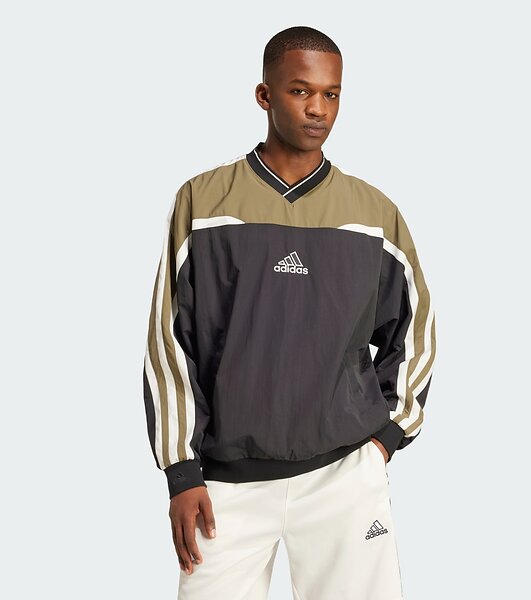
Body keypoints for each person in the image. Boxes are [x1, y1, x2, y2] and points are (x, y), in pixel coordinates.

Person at [142, 25, 436, 600]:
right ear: (265, 95)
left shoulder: (374, 213)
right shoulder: (203, 200)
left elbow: (415, 330)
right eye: (301, 91)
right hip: (224, 482)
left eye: (331, 94)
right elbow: (169, 340)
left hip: (343, 477)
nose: (318, 109)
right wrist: (180, 470)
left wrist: (385, 439)